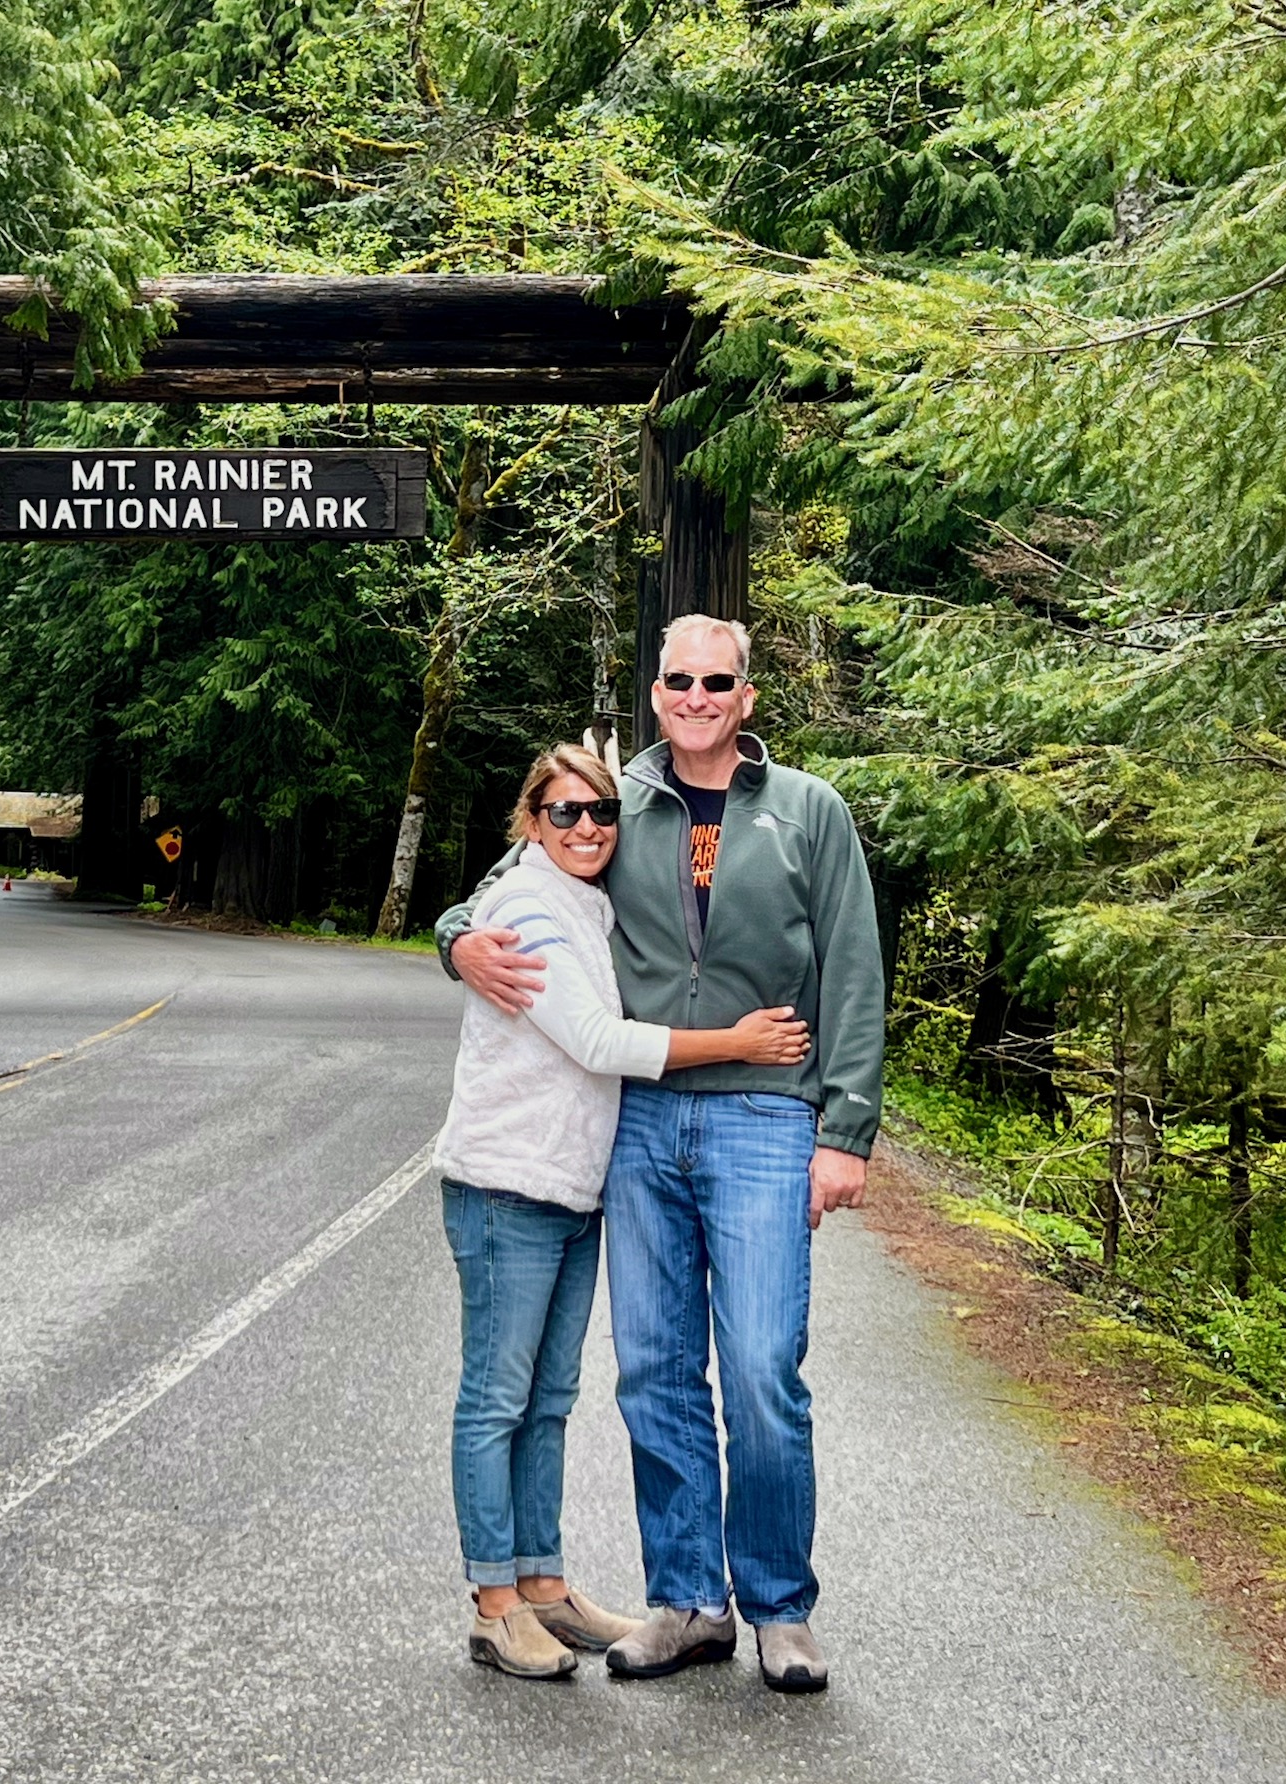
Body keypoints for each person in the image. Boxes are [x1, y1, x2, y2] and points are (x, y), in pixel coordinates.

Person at [437, 616, 884, 1694]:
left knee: (763, 1369)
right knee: (652, 1371)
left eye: (716, 681)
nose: (696, 696)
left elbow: (854, 967)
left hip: (764, 1115)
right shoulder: (616, 800)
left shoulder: (807, 811)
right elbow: (500, 882)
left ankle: (780, 1606)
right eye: (678, 678)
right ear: (655, 691)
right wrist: (455, 940)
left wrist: (844, 1131)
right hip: (638, 1120)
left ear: (746, 695)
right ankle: (686, 1600)